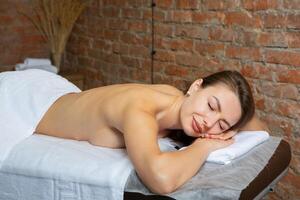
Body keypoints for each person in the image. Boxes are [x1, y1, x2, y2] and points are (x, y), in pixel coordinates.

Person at [35, 70, 268, 194]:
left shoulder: (176, 100)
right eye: (211, 106)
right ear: (196, 86)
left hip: (61, 95)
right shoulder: (140, 108)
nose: (209, 124)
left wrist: (230, 116)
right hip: (31, 104)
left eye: (222, 125)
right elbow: (161, 180)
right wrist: (204, 145)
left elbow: (261, 130)